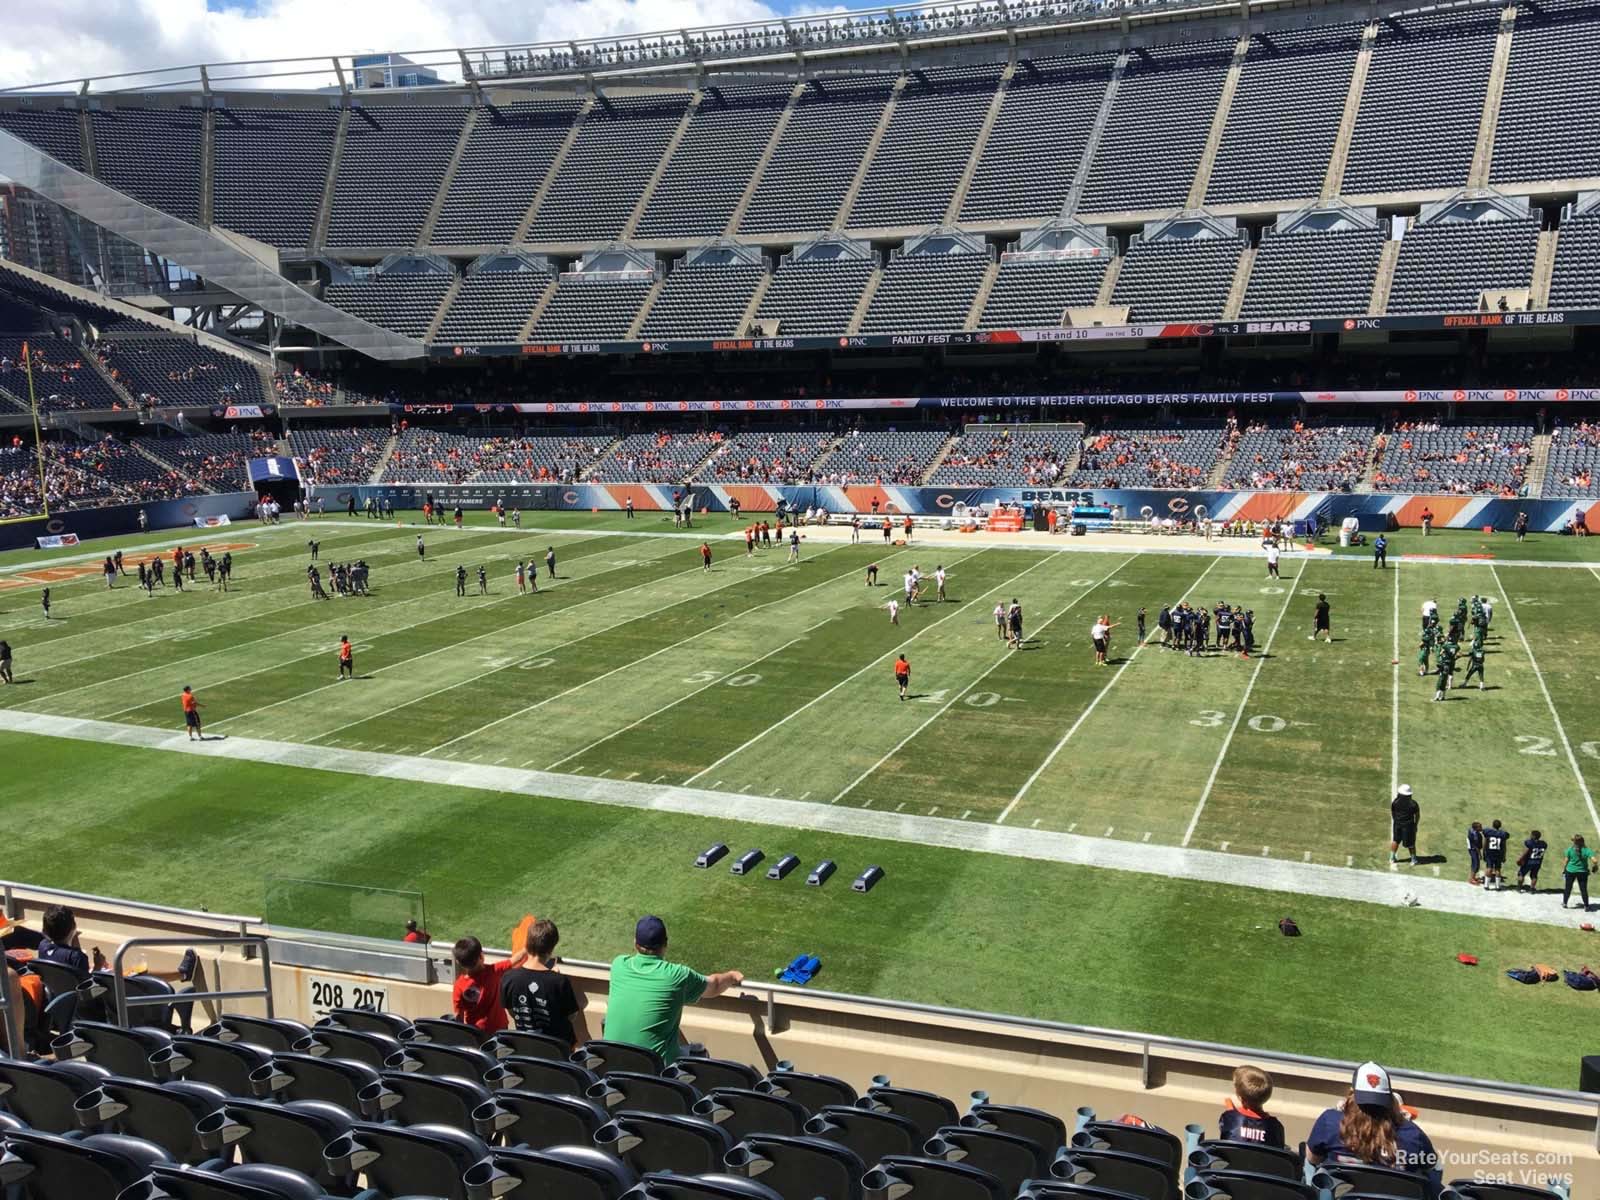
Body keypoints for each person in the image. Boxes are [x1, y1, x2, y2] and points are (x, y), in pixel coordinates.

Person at [604, 916, 743, 1065]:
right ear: (665, 944)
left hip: (612, 1066)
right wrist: (732, 976)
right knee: (701, 1054)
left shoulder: (618, 965)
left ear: (635, 943)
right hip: (654, 1074)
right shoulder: (676, 975)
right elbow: (714, 986)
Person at [1306, 1062, 1439, 1188]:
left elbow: (1312, 1159)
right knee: (1433, 1169)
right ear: (1389, 1100)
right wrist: (1401, 1120)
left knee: (1312, 1166)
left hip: (1344, 1195)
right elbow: (1431, 1165)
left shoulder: (1330, 1121)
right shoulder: (1412, 1134)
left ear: (1351, 1094)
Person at [501, 919, 590, 1048]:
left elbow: (512, 1011)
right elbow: (571, 1015)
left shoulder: (508, 978)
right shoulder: (559, 982)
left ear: (528, 944)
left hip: (526, 1049)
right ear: (551, 948)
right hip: (558, 1052)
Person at [451, 935, 530, 1033]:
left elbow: (458, 1016)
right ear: (481, 956)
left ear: (458, 962)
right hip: (500, 1029)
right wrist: (528, 946)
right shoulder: (494, 971)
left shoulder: (459, 986)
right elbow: (516, 959)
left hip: (475, 1033)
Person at [1217, 1064, 1286, 1148]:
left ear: (1240, 1098)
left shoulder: (1229, 1117)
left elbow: (1229, 1128)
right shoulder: (1276, 1127)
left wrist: (1232, 1113)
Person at [1561, 834, 1596, 910]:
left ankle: (1565, 903)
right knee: (1583, 889)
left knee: (1568, 888)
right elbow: (1594, 860)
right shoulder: (1587, 850)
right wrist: (1595, 866)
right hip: (1583, 872)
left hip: (1570, 871)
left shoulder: (1569, 850)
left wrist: (1563, 870)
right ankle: (1586, 905)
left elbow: (1566, 861)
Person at [1390, 785, 1418, 866]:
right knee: (1411, 843)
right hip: (1409, 826)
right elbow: (1417, 815)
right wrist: (1415, 825)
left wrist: (1396, 821)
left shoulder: (1395, 802)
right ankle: (1413, 859)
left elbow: (1393, 813)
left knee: (1396, 840)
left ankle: (1392, 858)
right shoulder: (1413, 804)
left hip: (1397, 825)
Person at [1482, 819, 1510, 890]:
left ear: (1492, 825)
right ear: (1500, 826)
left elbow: (1485, 843)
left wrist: (1484, 852)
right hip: (1498, 853)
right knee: (1498, 869)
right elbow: (1504, 846)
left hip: (1490, 852)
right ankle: (1497, 886)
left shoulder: (1488, 832)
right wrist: (1504, 856)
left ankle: (1486, 885)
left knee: (1489, 868)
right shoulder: (1503, 834)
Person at [1466, 821, 1484, 886]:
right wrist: (1480, 854)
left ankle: (1472, 877)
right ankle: (1471, 879)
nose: (1481, 828)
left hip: (1472, 849)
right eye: (1480, 827)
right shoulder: (1475, 835)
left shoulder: (1473, 833)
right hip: (1473, 850)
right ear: (1476, 828)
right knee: (1476, 864)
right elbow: (1476, 846)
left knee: (1474, 863)